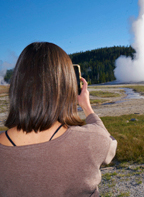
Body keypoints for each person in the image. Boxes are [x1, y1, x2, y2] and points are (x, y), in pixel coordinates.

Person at [0, 42, 117, 197]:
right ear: (66, 85)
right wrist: (86, 107)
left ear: (17, 85)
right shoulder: (91, 139)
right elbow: (110, 148)